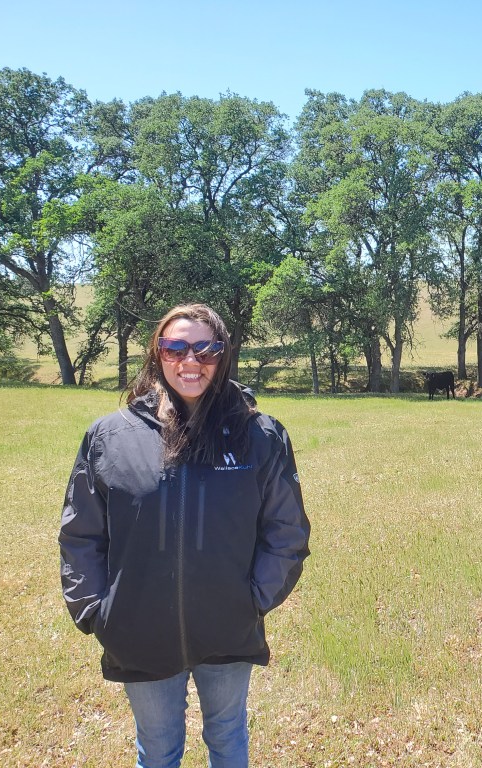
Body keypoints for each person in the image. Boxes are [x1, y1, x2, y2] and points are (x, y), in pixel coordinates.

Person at [59, 303, 311, 768]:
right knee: (156, 749)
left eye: (205, 349)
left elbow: (286, 531)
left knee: (228, 736)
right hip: (139, 630)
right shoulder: (110, 436)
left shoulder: (260, 435)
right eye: (174, 347)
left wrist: (253, 600)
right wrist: (96, 610)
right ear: (157, 354)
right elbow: (81, 534)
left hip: (229, 629)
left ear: (224, 354)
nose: (190, 361)